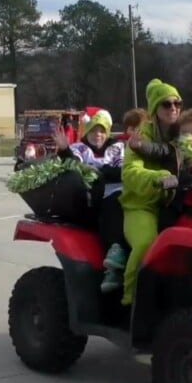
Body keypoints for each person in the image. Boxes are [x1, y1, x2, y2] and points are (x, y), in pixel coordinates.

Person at [119, 78, 183, 307]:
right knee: (147, 243)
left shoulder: (182, 134)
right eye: (167, 104)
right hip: (141, 206)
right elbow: (130, 172)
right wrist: (159, 178)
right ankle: (131, 298)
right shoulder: (139, 138)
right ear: (156, 108)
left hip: (174, 203)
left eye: (177, 103)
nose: (173, 108)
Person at [54, 110, 127, 293]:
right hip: (93, 196)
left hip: (118, 192)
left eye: (102, 131)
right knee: (108, 209)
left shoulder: (117, 147)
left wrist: (100, 172)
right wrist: (64, 151)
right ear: (87, 131)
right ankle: (112, 265)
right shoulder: (80, 148)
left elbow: (123, 171)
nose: (98, 135)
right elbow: (75, 167)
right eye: (94, 130)